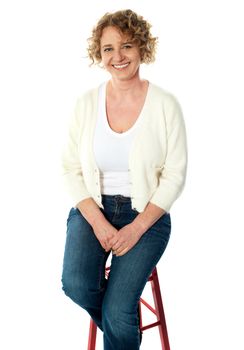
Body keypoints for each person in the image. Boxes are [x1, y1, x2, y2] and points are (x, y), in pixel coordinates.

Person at [61, 8, 187, 350]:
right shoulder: (85, 104)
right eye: (108, 49)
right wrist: (99, 224)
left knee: (118, 312)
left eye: (127, 46)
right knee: (75, 284)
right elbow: (69, 169)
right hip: (92, 211)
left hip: (147, 216)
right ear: (98, 54)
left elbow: (175, 175)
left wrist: (136, 227)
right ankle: (126, 330)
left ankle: (121, 323)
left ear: (142, 49)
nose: (118, 57)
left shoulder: (165, 105)